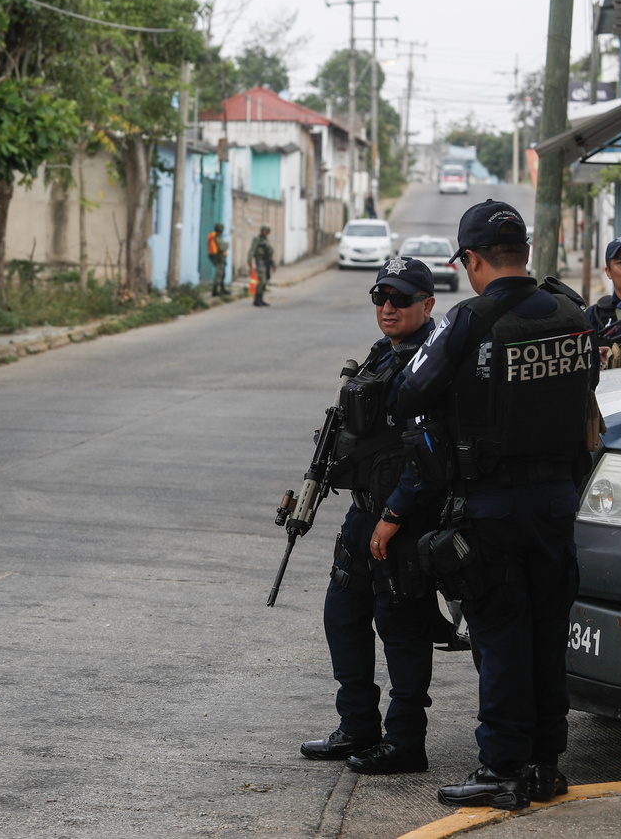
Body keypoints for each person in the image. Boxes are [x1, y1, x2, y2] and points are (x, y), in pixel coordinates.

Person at [398, 200, 597, 811]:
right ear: (525, 253)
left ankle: (502, 768)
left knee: (503, 638)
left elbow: (408, 394)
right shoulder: (573, 314)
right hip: (558, 502)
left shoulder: (468, 319)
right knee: (547, 633)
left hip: (493, 506)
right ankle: (543, 765)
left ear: (472, 259)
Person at [301, 257, 440, 775]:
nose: (388, 307)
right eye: (381, 297)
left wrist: (396, 512)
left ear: (427, 304)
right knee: (342, 617)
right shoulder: (383, 352)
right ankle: (357, 725)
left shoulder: (432, 361)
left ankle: (405, 741)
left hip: (402, 520)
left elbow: (428, 451)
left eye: (401, 299)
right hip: (364, 513)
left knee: (401, 630)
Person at [248, 225, 274, 307]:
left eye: (267, 231)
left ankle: (261, 299)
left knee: (265, 281)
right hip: (260, 262)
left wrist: (273, 264)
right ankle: (257, 299)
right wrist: (249, 260)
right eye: (264, 231)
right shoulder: (257, 239)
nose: (265, 233)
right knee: (261, 281)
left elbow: (269, 254)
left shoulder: (266, 240)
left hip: (267, 263)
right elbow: (252, 250)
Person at [207, 222, 228, 297]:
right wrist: (226, 245)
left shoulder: (214, 236)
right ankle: (215, 291)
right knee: (219, 274)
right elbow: (222, 248)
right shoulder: (216, 237)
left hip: (218, 257)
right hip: (219, 257)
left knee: (222, 274)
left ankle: (222, 289)